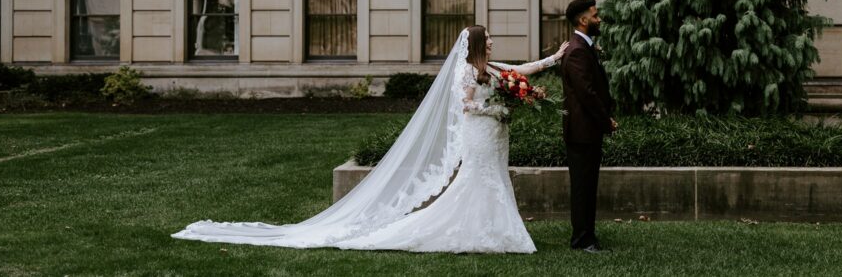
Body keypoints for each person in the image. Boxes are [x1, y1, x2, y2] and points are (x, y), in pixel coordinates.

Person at [173, 26, 568, 253]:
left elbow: (521, 69)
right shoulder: (465, 72)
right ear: (479, 45)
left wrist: (554, 59)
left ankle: (496, 230)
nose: (495, 44)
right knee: (478, 180)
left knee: (493, 179)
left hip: (496, 135)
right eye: (490, 40)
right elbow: (466, 107)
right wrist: (496, 110)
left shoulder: (493, 67)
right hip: (480, 132)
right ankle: (488, 233)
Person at [560, 0, 616, 253]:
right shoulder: (578, 50)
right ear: (583, 20)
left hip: (588, 130)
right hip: (582, 131)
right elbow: (587, 93)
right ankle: (581, 239)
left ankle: (588, 235)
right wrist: (606, 120)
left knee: (588, 184)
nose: (599, 19)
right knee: (583, 187)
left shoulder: (584, 46)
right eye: (595, 15)